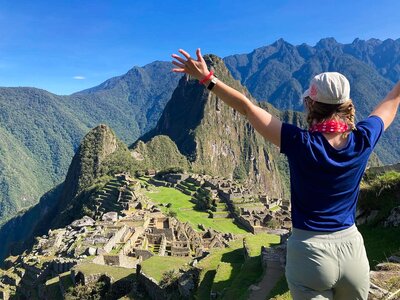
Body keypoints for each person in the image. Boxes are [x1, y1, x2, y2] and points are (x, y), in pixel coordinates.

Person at [172, 48, 400, 299]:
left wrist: (207, 79)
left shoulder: (298, 141)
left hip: (309, 252)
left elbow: (247, 108)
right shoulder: (363, 139)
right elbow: (390, 102)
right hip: (352, 251)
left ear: (311, 104)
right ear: (347, 106)